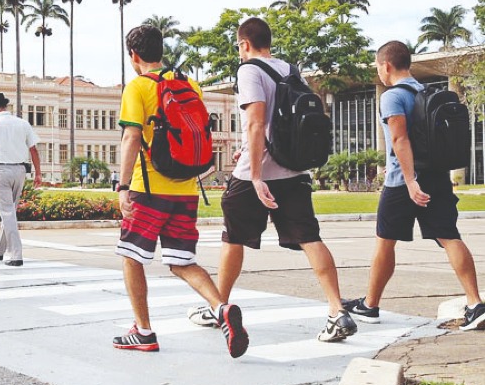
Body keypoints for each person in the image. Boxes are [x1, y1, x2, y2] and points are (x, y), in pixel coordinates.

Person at [188, 17, 357, 342]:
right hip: (293, 170)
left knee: (232, 238)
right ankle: (337, 311)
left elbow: (256, 121)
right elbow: (277, 126)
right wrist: (244, 150)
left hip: (259, 174)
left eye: (239, 47)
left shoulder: (249, 69)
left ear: (244, 44)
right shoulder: (290, 70)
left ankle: (218, 307)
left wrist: (254, 174)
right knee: (310, 238)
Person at [114, 24, 249, 357]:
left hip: (149, 190)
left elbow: (131, 138)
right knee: (183, 261)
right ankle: (221, 309)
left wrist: (123, 185)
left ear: (133, 56)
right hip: (187, 188)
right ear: (161, 50)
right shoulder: (190, 85)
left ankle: (143, 331)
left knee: (132, 256)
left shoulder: (139, 87)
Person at [343, 40, 485, 331]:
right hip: (437, 175)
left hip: (403, 181)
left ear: (387, 65)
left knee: (385, 241)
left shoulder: (393, 96)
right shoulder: (425, 92)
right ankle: (475, 303)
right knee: (449, 236)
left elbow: (399, 139)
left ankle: (370, 305)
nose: (379, 73)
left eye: (378, 67)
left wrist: (409, 181)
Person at [0, 93, 42, 267]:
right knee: (10, 211)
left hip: (1, 170)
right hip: (20, 170)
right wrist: (39, 173)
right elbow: (33, 149)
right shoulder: (22, 123)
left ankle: (16, 254)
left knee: (6, 213)